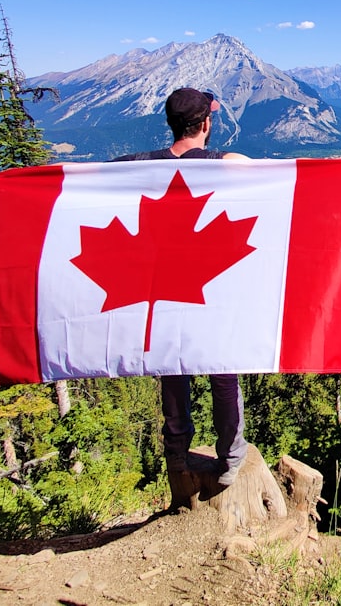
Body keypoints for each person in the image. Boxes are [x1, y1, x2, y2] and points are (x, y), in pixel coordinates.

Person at [113, 87, 249, 487]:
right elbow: (254, 169)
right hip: (209, 289)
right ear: (206, 123)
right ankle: (230, 458)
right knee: (223, 374)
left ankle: (176, 453)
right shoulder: (219, 163)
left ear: (171, 124)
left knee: (171, 369)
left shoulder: (137, 165)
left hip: (160, 288)